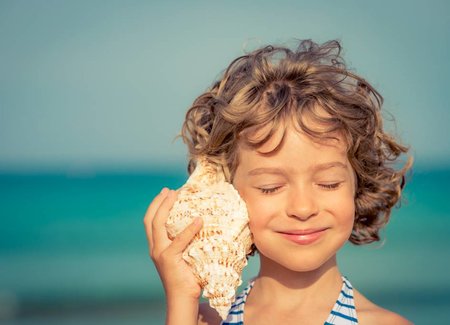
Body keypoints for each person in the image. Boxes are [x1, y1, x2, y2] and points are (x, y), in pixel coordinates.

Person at [143, 39, 413, 324]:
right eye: (271, 187)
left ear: (358, 182)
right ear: (227, 193)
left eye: (329, 183)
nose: (303, 207)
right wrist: (182, 297)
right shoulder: (200, 319)